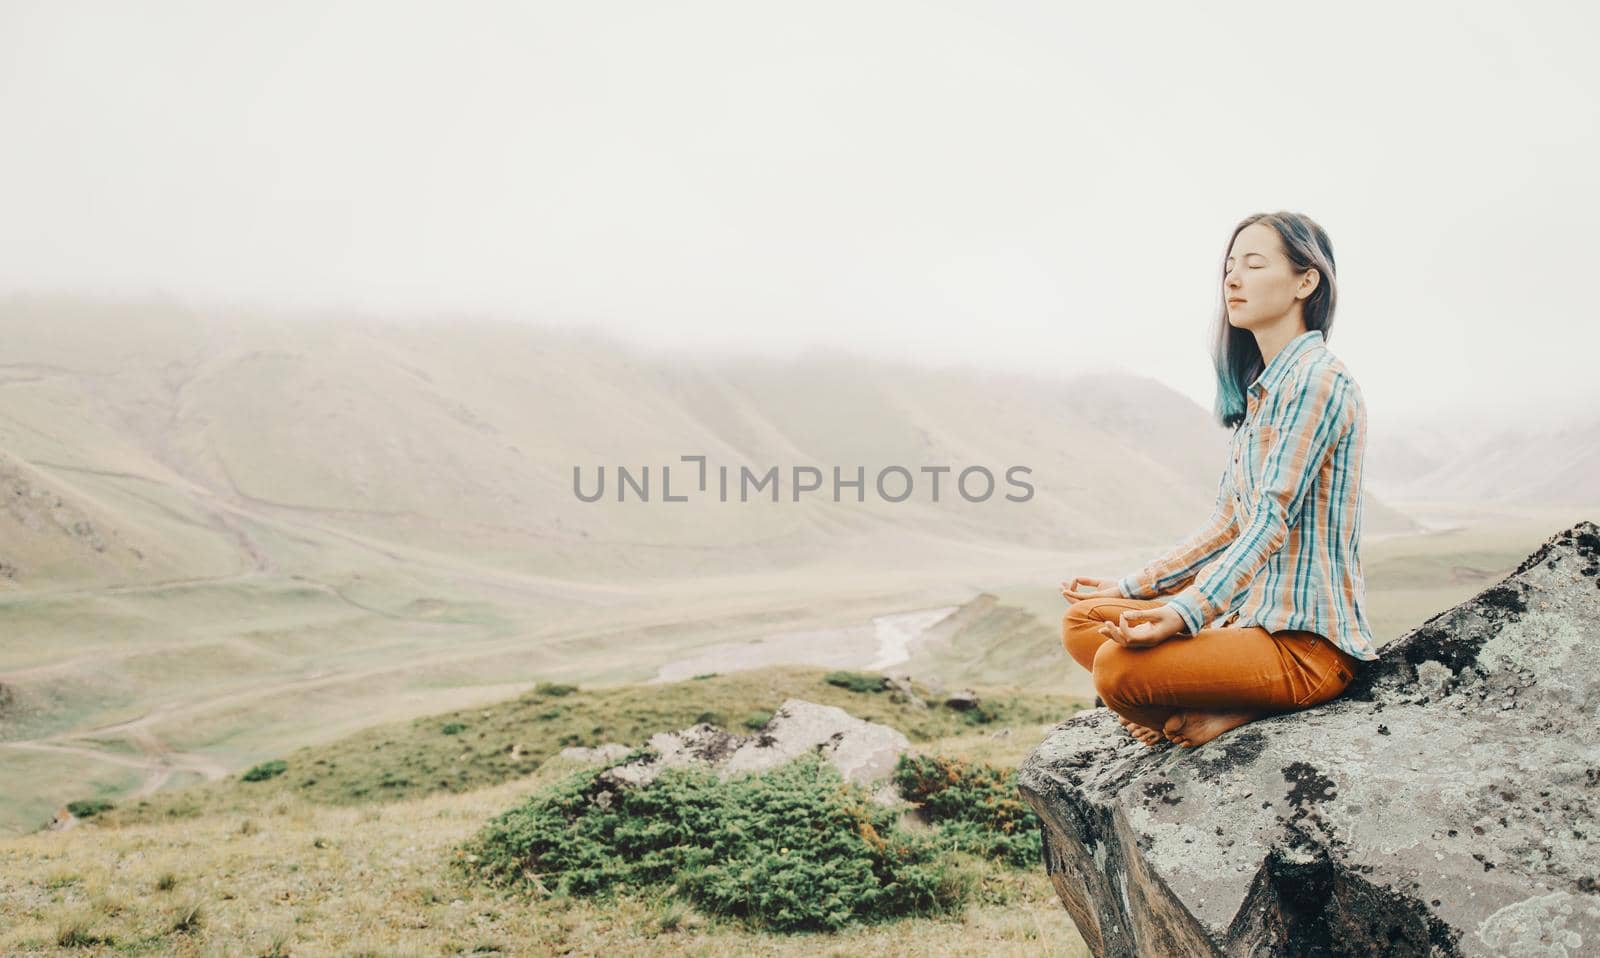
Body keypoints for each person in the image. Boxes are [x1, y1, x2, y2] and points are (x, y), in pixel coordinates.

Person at [1059, 211, 1379, 749]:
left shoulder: (1317, 381)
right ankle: (1210, 701)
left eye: (1254, 264)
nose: (1232, 279)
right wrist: (1131, 589)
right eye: (1230, 267)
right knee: (1083, 621)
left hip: (1304, 645)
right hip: (1248, 623)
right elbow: (1228, 525)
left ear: (1307, 281)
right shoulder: (1263, 393)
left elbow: (1269, 521)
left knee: (1117, 669)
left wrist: (1183, 616)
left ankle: (1235, 708)